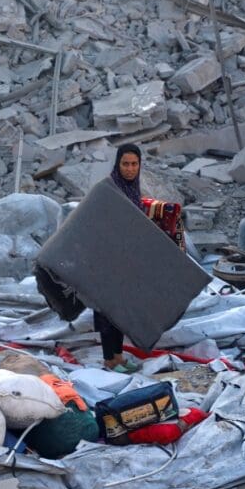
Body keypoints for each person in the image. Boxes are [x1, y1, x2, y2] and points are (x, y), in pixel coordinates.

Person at [95, 144, 144, 372]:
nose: (130, 169)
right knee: (107, 311)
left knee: (121, 311)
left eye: (134, 164)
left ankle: (118, 356)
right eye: (125, 164)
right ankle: (109, 359)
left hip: (124, 261)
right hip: (105, 260)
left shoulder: (133, 189)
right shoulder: (110, 188)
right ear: (118, 164)